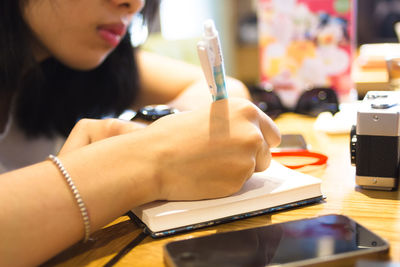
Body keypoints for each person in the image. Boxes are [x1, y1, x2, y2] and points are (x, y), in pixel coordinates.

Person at [0, 0, 281, 266]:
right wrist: (148, 159)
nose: (135, 4)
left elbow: (225, 89)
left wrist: (151, 135)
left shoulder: (77, 64)